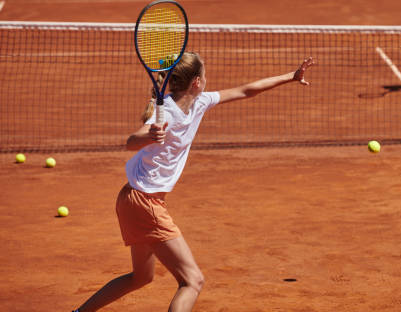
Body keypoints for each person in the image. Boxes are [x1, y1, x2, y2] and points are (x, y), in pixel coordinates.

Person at [72, 52, 315, 312]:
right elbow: (132, 141)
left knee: (141, 277)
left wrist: (291, 76)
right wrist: (150, 136)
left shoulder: (200, 102)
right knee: (193, 281)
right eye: (206, 75)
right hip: (145, 203)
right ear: (196, 82)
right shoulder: (164, 112)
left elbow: (246, 91)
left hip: (132, 200)